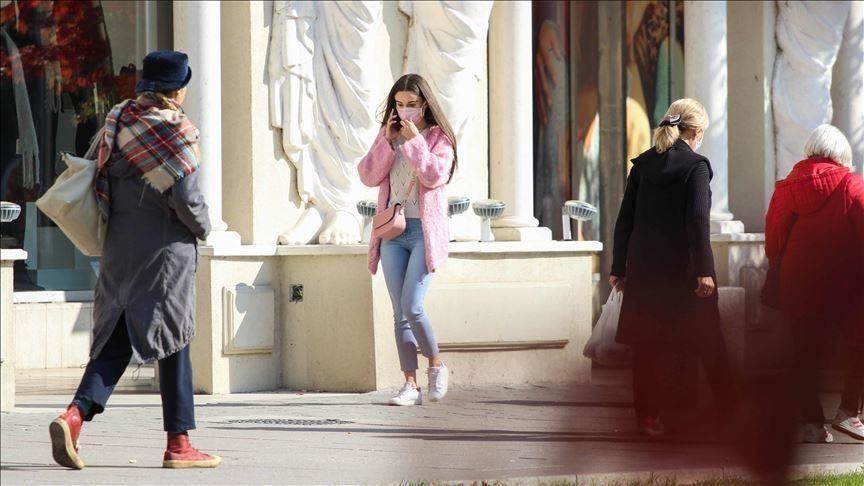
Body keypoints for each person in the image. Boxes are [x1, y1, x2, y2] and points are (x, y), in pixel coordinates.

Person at [48, 51, 220, 469]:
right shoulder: (177, 131)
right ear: (179, 89)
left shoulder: (118, 119)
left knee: (115, 341)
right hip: (164, 255)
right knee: (174, 341)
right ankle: (179, 444)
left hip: (119, 250)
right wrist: (204, 227)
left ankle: (73, 417)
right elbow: (187, 200)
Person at [609, 98, 738, 436]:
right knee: (710, 343)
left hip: (645, 271)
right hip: (685, 272)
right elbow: (697, 221)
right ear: (695, 131)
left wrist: (618, 267)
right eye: (702, 132)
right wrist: (704, 270)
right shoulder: (696, 167)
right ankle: (730, 415)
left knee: (646, 347)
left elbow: (625, 220)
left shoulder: (643, 165)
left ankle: (648, 418)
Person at [358, 74, 456, 406]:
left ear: (424, 104)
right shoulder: (389, 134)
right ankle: (410, 385)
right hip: (393, 233)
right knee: (399, 312)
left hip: (423, 233)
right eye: (399, 104)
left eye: (411, 104)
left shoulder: (439, 138)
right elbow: (368, 175)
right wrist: (387, 142)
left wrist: (415, 142)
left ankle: (436, 364)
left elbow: (434, 176)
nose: (404, 110)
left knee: (413, 306)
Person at [764, 124, 864, 443]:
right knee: (859, 343)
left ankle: (812, 424)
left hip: (797, 279)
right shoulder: (851, 184)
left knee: (804, 351)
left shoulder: (786, 187)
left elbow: (774, 238)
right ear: (841, 153)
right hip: (844, 280)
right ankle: (848, 412)